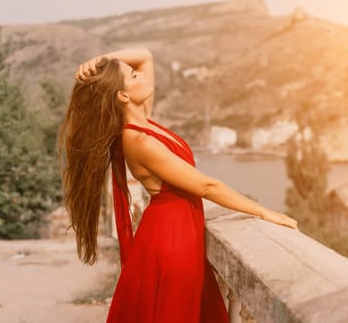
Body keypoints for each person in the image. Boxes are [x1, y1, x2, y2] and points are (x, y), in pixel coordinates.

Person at [58, 47, 299, 322]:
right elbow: (208, 187)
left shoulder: (143, 119)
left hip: (177, 233)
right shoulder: (139, 141)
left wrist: (101, 61)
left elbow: (145, 55)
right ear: (123, 96)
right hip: (170, 242)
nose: (143, 75)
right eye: (134, 76)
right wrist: (264, 212)